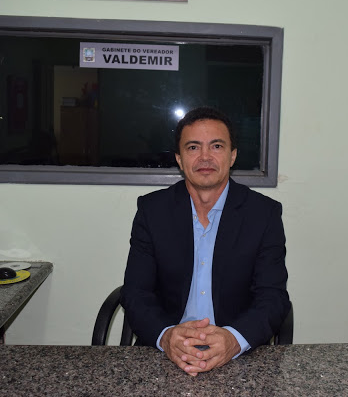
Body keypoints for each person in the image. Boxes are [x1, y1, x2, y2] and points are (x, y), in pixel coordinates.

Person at [121, 107, 290, 376]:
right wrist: (166, 336)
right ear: (179, 159)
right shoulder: (152, 211)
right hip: (166, 353)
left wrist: (234, 339)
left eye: (217, 146)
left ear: (232, 155)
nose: (205, 157)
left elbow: (273, 297)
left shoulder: (263, 214)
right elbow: (136, 293)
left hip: (238, 355)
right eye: (193, 147)